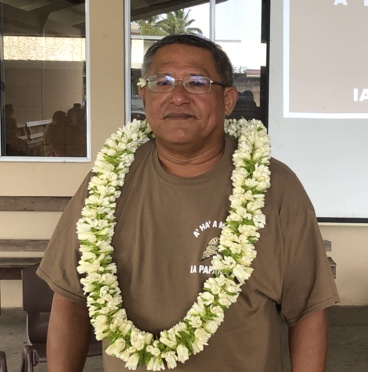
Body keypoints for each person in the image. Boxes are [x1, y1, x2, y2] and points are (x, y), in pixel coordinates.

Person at [37, 34, 339, 371]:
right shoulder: (107, 182)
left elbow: (308, 311)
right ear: (144, 95)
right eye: (162, 82)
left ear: (227, 99)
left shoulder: (276, 186)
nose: (177, 96)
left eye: (197, 82)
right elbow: (70, 301)